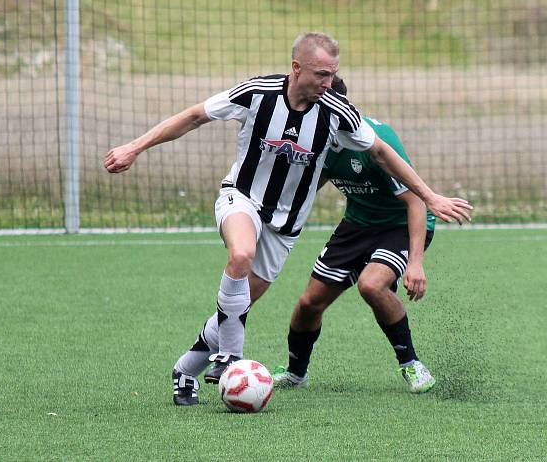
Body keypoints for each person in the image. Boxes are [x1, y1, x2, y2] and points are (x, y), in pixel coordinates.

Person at [103, 32, 473, 406]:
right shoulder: (257, 93)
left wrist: (429, 196)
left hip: (285, 226)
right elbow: (195, 116)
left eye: (333, 75)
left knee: (238, 306)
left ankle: (185, 371)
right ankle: (231, 359)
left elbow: (380, 152)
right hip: (241, 198)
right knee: (242, 254)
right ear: (296, 68)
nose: (328, 84)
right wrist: (134, 147)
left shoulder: (338, 114)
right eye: (321, 75)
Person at [271, 76, 438, 393]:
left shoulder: (375, 139)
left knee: (372, 286)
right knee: (309, 303)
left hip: (401, 223)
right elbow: (307, 187)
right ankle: (296, 372)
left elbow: (415, 201)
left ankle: (412, 365)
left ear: (338, 109)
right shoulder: (319, 140)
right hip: (357, 223)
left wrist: (416, 264)